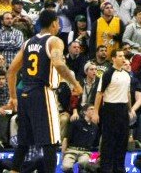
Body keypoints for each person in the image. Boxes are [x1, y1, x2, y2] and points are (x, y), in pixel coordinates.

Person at [6, 9, 83, 173]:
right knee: (51, 141)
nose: (59, 26)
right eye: (58, 23)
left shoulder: (27, 43)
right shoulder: (54, 41)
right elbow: (59, 64)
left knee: (23, 142)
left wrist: (13, 97)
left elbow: (11, 71)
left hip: (25, 94)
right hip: (43, 93)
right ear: (54, 23)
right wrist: (75, 84)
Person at [92, 50, 133, 173]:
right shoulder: (108, 74)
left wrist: (130, 109)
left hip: (123, 109)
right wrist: (95, 112)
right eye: (120, 56)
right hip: (110, 109)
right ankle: (106, 168)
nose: (123, 58)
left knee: (122, 140)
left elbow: (128, 93)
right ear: (113, 58)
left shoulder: (126, 75)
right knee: (109, 141)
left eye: (123, 56)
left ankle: (119, 168)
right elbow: (99, 93)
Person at [61, 104, 100, 173]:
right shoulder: (75, 123)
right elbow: (65, 139)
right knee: (65, 167)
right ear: (85, 112)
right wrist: (63, 155)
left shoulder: (95, 127)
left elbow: (96, 145)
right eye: (91, 109)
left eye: (94, 109)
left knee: (85, 163)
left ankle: (83, 169)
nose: (94, 111)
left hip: (85, 152)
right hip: (72, 150)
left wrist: (94, 159)